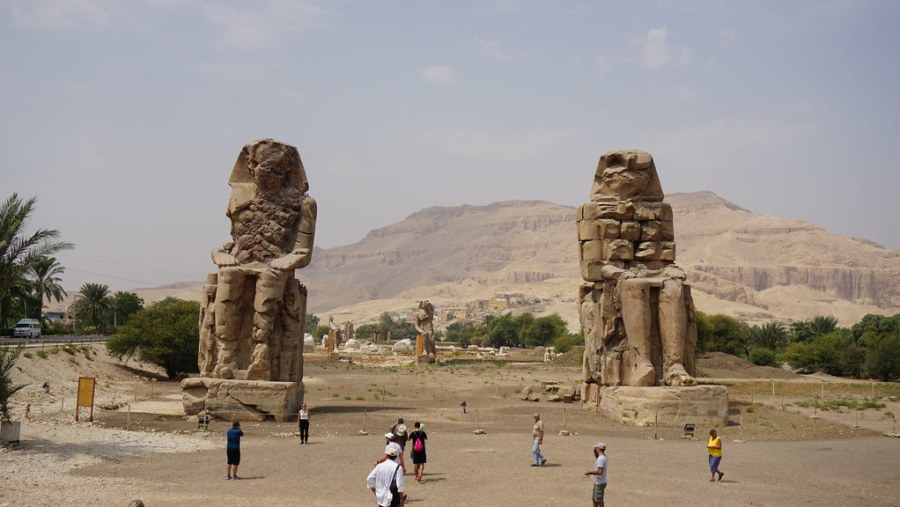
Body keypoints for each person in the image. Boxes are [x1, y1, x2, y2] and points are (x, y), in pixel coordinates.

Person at [584, 441, 608, 507]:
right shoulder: (603, 457)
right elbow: (597, 457)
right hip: (599, 482)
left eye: (596, 448)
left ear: (598, 449)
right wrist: (595, 451)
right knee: (595, 499)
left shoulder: (601, 459)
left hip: (600, 483)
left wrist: (590, 472)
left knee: (599, 500)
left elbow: (599, 472)